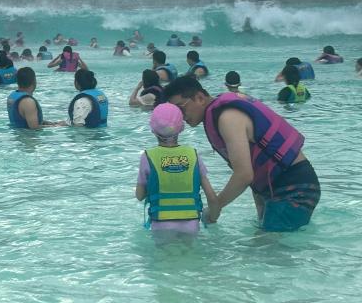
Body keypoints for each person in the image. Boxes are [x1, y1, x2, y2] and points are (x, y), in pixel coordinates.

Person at [164, 75, 320, 231]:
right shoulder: (219, 114)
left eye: (180, 108)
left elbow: (244, 175)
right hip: (283, 187)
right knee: (263, 240)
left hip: (294, 188)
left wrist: (215, 208)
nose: (179, 116)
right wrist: (261, 212)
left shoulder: (227, 118)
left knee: (267, 245)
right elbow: (256, 174)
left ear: (199, 98)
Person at [135, 102, 218, 236]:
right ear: (182, 128)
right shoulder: (193, 155)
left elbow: (140, 196)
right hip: (191, 223)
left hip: (161, 224)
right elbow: (212, 197)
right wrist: (212, 218)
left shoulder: (148, 157)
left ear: (153, 130)